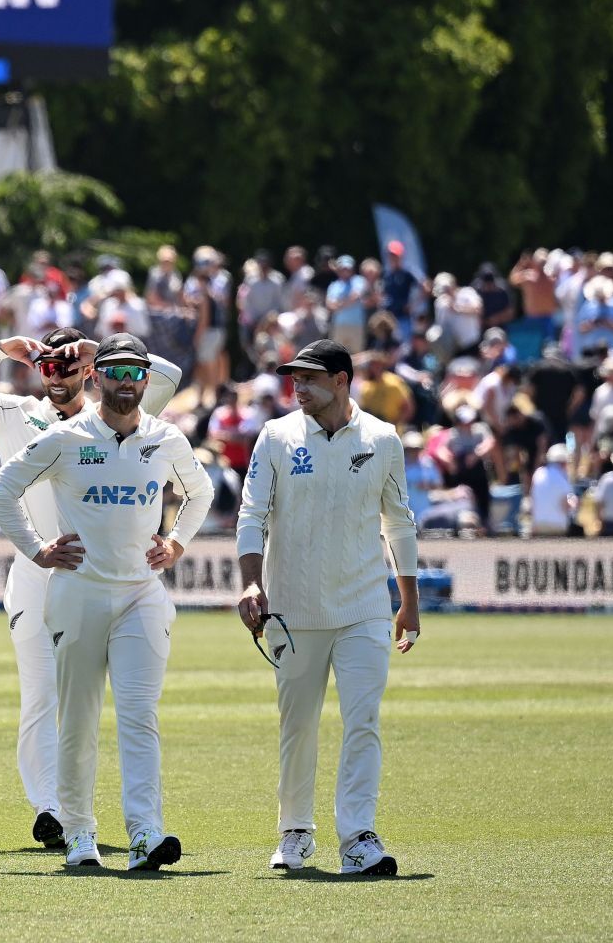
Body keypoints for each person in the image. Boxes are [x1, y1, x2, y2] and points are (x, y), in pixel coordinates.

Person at [0, 326, 182, 849]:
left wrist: (101, 355)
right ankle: (49, 806)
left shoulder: (111, 411)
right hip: (35, 568)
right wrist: (4, 350)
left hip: (100, 574)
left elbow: (167, 376)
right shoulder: (15, 412)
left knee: (104, 701)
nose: (57, 374)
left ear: (88, 371)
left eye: (68, 365)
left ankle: (89, 811)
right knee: (41, 693)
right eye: (48, 365)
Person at [0, 334, 212, 872]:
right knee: (79, 720)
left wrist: (177, 542)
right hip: (79, 593)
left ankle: (145, 834)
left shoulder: (164, 437)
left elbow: (199, 492)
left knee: (139, 717)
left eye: (137, 373)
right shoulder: (66, 437)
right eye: (115, 372)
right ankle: (79, 834)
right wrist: (38, 550)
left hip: (140, 594)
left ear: (146, 380)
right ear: (96, 377)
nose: (127, 382)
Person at [235, 339, 419, 877]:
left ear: (342, 380)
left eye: (310, 379)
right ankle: (295, 830)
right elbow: (252, 515)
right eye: (294, 379)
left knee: (363, 721)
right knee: (299, 727)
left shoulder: (383, 439)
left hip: (364, 605)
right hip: (292, 609)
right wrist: (251, 585)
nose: (299, 388)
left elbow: (399, 522)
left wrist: (407, 603)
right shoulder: (276, 436)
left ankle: (358, 835)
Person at [529, 443, 579, 536]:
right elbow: (565, 506)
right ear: (563, 463)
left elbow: (533, 502)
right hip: (557, 526)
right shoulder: (562, 478)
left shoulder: (538, 473)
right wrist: (574, 505)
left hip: (538, 524)